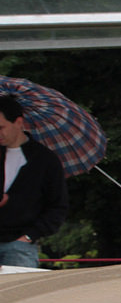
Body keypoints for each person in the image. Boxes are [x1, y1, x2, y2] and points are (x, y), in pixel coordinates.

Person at [0, 94, 69, 268]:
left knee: (21, 294)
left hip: (20, 246)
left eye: (1, 127)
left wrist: (29, 236)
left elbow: (58, 206)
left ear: (18, 122)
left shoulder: (45, 160)